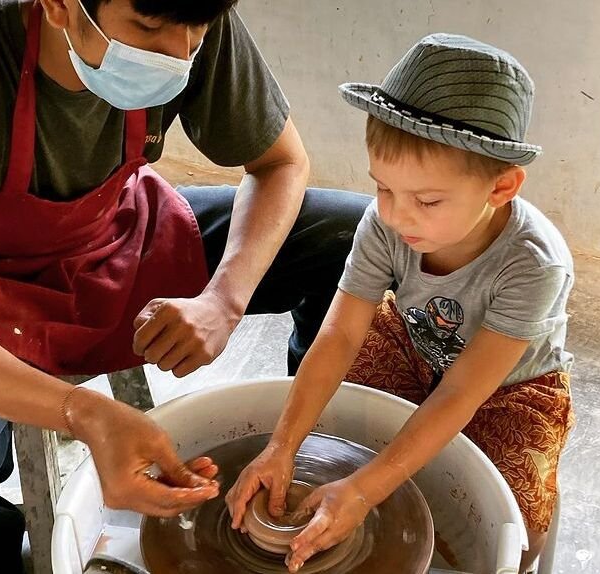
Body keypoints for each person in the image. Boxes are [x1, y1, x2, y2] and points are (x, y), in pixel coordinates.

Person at [0, 0, 370, 571]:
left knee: (352, 236)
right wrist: (85, 414)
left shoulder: (186, 15)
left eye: (197, 32)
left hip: (120, 237)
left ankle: (312, 455)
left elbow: (282, 164)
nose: (180, 55)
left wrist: (224, 300)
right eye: (150, 30)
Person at [226, 33, 575, 573]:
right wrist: (280, 444)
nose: (395, 215)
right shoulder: (385, 222)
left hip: (510, 384)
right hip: (414, 337)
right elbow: (340, 335)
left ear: (502, 187)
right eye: (382, 188)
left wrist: (364, 492)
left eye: (426, 200)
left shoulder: (534, 263)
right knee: (337, 436)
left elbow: (461, 392)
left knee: (513, 524)